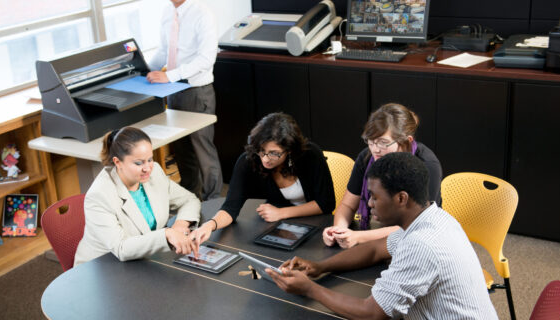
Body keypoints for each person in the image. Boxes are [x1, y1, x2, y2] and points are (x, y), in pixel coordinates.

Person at [267, 153, 505, 320]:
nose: (368, 203)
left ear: (401, 198)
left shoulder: (422, 245)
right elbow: (376, 250)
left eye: (375, 196)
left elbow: (371, 314)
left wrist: (310, 289)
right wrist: (320, 267)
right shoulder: (431, 219)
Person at [73, 127, 210, 320]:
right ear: (117, 162)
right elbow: (122, 248)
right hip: (103, 273)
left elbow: (189, 200)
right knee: (165, 303)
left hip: (143, 260)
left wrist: (180, 225)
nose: (148, 167)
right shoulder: (99, 196)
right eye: (139, 162)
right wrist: (166, 235)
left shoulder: (154, 173)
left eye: (150, 159)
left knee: (196, 286)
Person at [191, 112, 335, 244]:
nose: (265, 159)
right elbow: (230, 207)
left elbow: (326, 204)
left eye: (274, 153)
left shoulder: (310, 156)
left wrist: (281, 213)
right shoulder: (249, 160)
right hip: (281, 227)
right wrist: (209, 225)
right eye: (261, 150)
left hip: (317, 225)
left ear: (289, 150)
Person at [323, 103, 442, 249]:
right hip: (375, 232)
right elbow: (347, 205)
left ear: (407, 141)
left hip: (417, 239)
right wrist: (338, 231)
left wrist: (358, 237)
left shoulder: (427, 165)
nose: (375, 149)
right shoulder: (367, 157)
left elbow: (414, 225)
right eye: (371, 142)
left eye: (383, 143)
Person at [146, 0, 223, 201]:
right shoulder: (168, 11)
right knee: (181, 151)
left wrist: (170, 76)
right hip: (173, 91)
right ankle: (191, 199)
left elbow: (206, 59)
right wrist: (143, 70)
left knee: (202, 151)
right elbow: (165, 51)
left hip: (197, 91)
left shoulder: (202, 13)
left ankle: (213, 202)